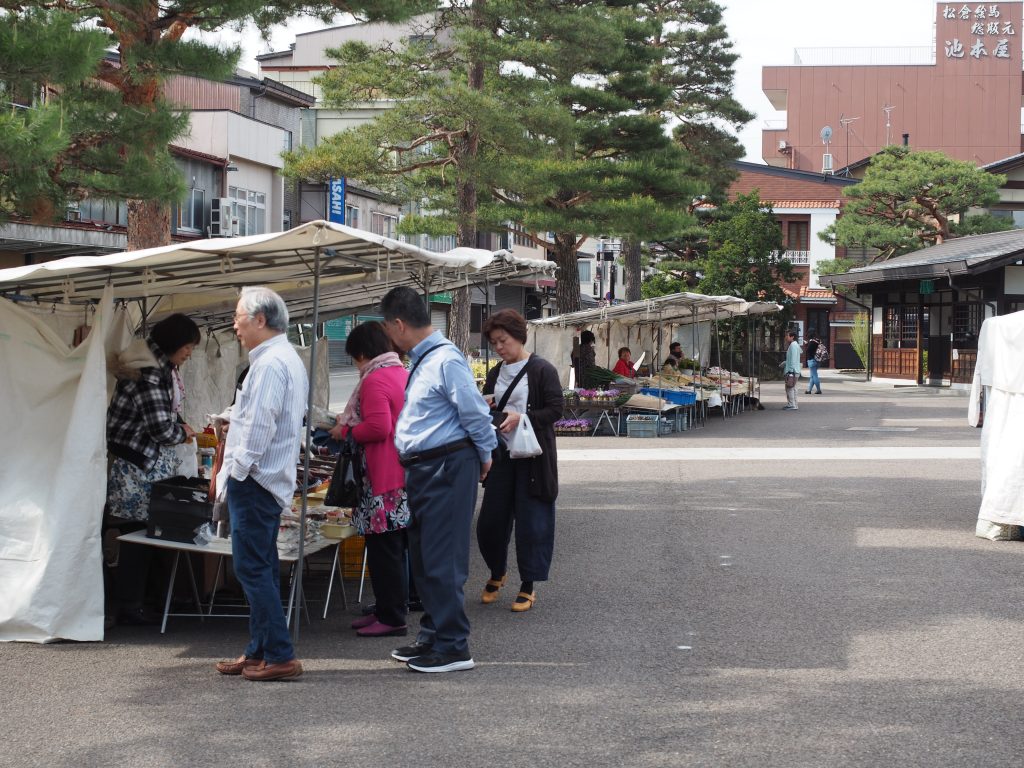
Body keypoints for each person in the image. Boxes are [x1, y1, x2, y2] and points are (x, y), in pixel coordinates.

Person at [380, 286, 496, 673]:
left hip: (447, 464)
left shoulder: (445, 360)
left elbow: (475, 413)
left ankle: (453, 646)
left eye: (386, 328)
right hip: (427, 467)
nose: (387, 335)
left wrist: (484, 454)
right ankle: (433, 635)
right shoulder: (423, 359)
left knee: (442, 558)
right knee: (426, 556)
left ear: (399, 324)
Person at [215, 287, 308, 682]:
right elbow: (257, 418)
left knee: (253, 569)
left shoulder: (270, 364)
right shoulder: (282, 358)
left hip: (255, 479)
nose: (233, 323)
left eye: (238, 315)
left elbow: (260, 425)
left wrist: (236, 470)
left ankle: (280, 655)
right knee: (261, 568)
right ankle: (259, 651)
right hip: (265, 480)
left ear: (259, 319)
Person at [106, 313, 199, 626]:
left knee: (145, 531)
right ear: (173, 343)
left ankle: (142, 600)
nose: (189, 353)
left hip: (142, 462)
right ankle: (130, 604)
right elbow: (159, 427)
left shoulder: (162, 369)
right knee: (138, 534)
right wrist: (183, 433)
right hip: (136, 465)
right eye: (187, 346)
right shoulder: (150, 372)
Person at [477, 309, 564, 612]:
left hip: (533, 458)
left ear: (518, 336)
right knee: (490, 523)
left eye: (503, 341)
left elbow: (556, 410)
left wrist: (522, 417)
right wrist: (487, 408)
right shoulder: (495, 372)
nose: (499, 348)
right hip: (501, 456)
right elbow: (487, 408)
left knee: (532, 524)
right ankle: (497, 572)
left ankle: (528, 585)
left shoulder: (542, 370)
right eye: (494, 343)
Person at [328, 321, 411, 637]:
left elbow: (379, 428)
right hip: (399, 474)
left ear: (362, 353)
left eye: (354, 357)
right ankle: (388, 608)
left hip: (383, 477)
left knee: (383, 550)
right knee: (390, 548)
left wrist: (344, 431)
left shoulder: (375, 380)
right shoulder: (399, 372)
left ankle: (391, 618)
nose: (355, 364)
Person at [783, 329, 801, 410]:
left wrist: (790, 370)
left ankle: (791, 404)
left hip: (792, 371)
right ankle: (794, 404)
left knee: (789, 387)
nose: (786, 337)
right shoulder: (796, 345)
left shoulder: (793, 345)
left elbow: (793, 359)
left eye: (787, 335)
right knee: (793, 388)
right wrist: (785, 363)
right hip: (795, 370)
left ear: (792, 337)